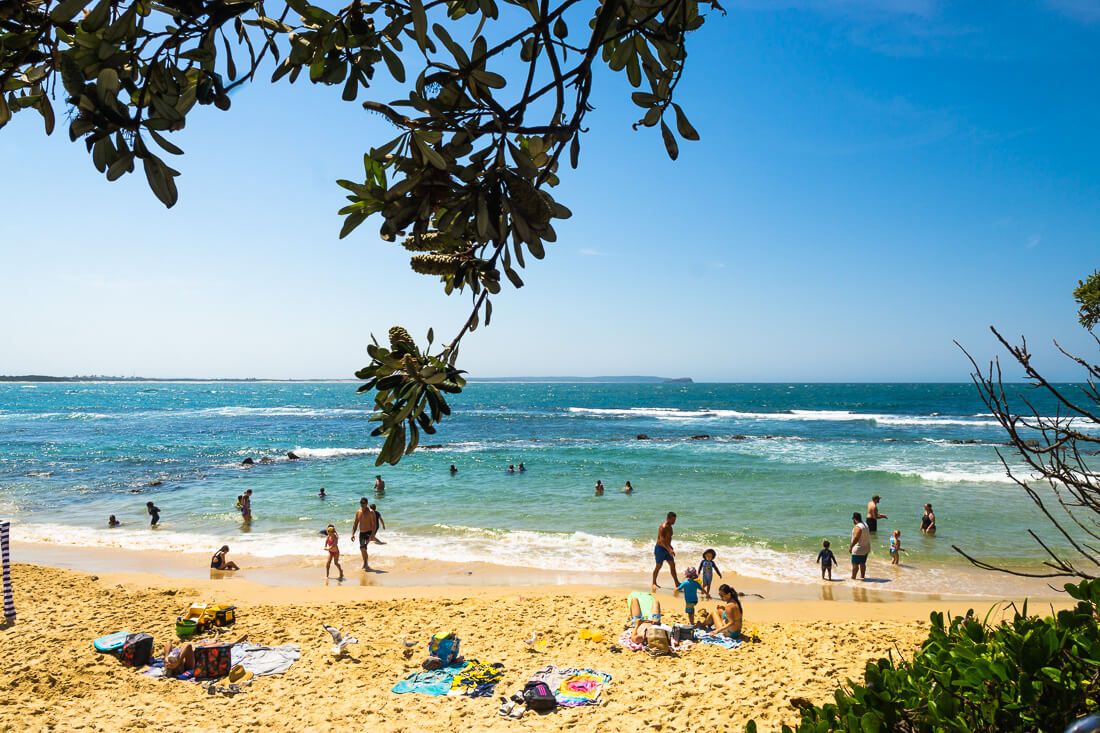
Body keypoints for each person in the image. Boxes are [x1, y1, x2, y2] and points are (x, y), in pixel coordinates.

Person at [652, 512, 679, 591]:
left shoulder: (670, 526)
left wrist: (670, 546)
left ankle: (677, 583)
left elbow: (668, 539)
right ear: (668, 518)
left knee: (672, 565)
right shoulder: (663, 527)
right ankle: (654, 582)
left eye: (675, 520)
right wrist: (669, 549)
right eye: (673, 520)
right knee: (658, 566)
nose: (674, 522)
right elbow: (661, 541)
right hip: (660, 549)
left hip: (667, 548)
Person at [351, 497, 378, 571]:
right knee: (362, 548)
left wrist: (372, 535)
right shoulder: (358, 512)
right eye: (361, 503)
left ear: (367, 504)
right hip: (362, 533)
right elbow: (355, 524)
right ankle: (365, 562)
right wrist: (353, 534)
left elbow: (374, 524)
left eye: (364, 503)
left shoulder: (371, 512)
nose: (362, 505)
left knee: (363, 548)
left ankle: (365, 563)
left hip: (368, 532)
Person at [850, 512, 871, 580]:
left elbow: (856, 538)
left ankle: (853, 578)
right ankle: (862, 577)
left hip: (858, 549)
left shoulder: (858, 527)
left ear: (855, 519)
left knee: (855, 565)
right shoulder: (865, 525)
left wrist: (851, 547)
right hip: (866, 547)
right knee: (862, 563)